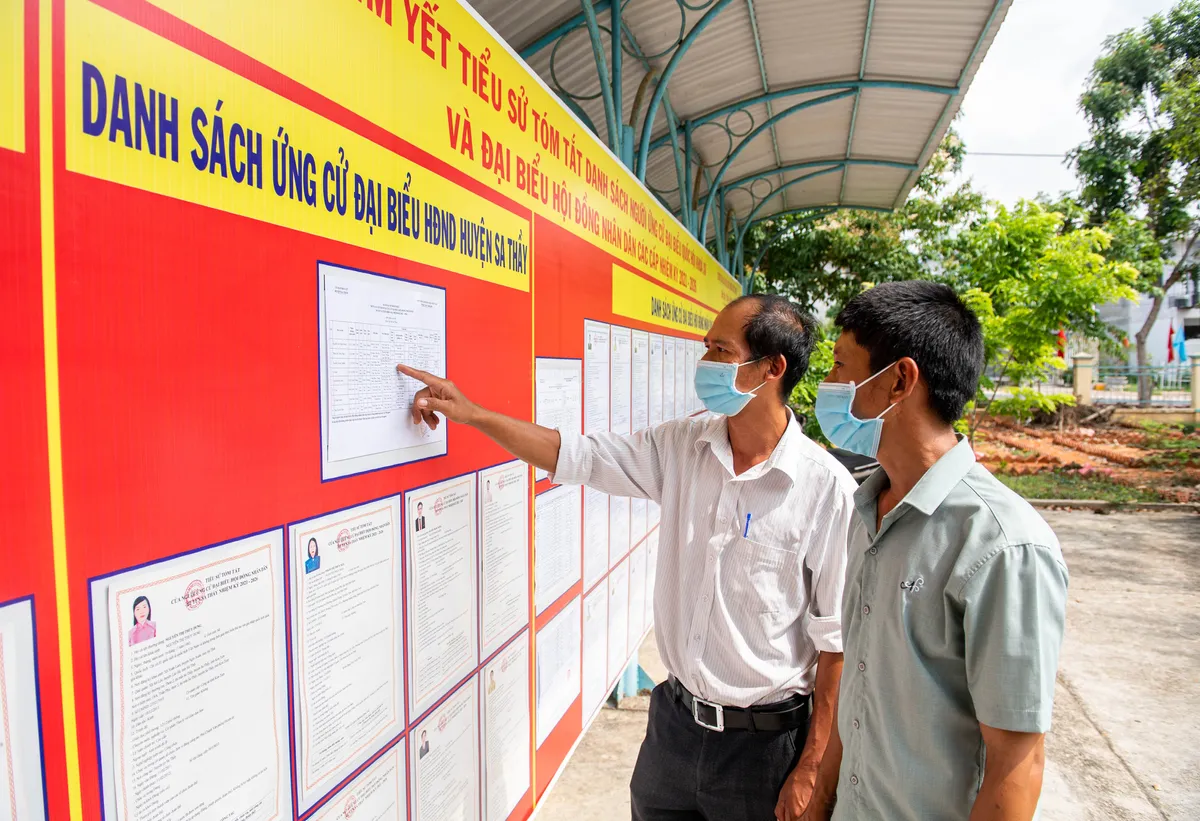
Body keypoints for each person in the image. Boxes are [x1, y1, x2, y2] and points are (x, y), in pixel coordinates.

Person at [398, 295, 859, 821]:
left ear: (772, 368)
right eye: (706, 347)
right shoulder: (683, 448)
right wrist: (473, 414)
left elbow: (835, 645)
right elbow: (577, 456)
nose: (705, 363)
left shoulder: (826, 491)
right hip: (674, 734)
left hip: (763, 753)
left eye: (722, 351)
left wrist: (813, 766)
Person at [799, 281, 1069, 821]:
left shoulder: (1002, 544)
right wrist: (823, 797)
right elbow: (859, 683)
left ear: (899, 379)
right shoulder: (867, 508)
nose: (825, 386)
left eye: (839, 366)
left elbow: (1016, 762)